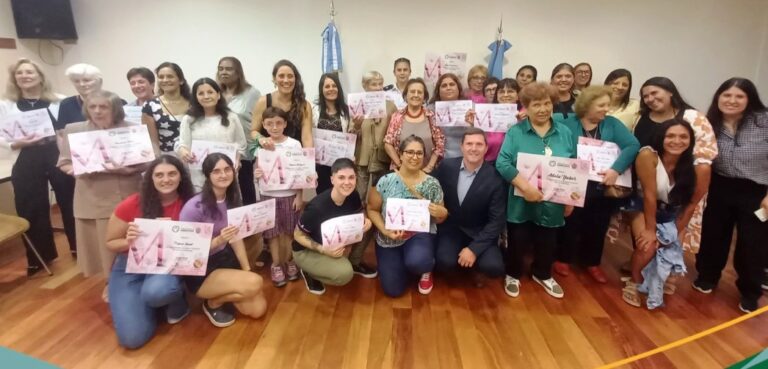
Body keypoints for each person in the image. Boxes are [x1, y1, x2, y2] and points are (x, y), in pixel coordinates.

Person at [495, 82, 577, 299]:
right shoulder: (516, 132)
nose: (543, 109)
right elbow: (502, 163)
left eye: (547, 103)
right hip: (522, 198)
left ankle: (542, 274)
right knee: (518, 239)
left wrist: (570, 199)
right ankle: (512, 274)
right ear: (526, 108)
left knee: (548, 240)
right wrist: (525, 187)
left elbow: (573, 165)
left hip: (554, 201)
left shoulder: (565, 132)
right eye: (537, 105)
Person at [694, 78, 768, 313]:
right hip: (719, 186)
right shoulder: (708, 124)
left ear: (750, 99)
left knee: (752, 243)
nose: (732, 101)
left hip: (756, 190)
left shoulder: (764, 122)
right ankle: (707, 277)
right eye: (727, 95)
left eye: (739, 96)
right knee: (713, 234)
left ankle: (750, 291)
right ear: (718, 97)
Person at [57, 91, 149, 282]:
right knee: (102, 245)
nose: (97, 111)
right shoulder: (74, 130)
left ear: (115, 109)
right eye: (92, 107)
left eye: (103, 107)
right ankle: (111, 282)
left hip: (129, 192)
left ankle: (138, 278)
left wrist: (129, 170)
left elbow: (149, 161)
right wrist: (81, 170)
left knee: (134, 238)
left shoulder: (132, 129)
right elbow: (64, 162)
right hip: (92, 195)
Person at [104, 155, 194, 349]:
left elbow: (199, 245)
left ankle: (175, 301)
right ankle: (148, 304)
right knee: (132, 339)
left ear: (181, 177)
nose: (166, 179)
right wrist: (130, 241)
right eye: (159, 175)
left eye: (172, 174)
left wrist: (177, 232)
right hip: (130, 265)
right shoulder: (132, 203)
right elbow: (111, 242)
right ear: (150, 178)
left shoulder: (191, 203)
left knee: (156, 292)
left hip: (167, 264)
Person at [553, 86, 640, 283]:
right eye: (601, 105)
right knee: (569, 221)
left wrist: (616, 169)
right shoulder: (568, 122)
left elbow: (633, 145)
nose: (605, 109)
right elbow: (544, 119)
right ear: (587, 104)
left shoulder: (612, 124)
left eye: (607, 105)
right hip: (574, 180)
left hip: (602, 184)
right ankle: (562, 258)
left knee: (598, 224)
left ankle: (592, 262)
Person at [0, 58, 76, 274]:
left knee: (70, 199)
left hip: (56, 152)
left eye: (30, 72)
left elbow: (70, 128)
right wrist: (15, 143)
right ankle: (40, 256)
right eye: (20, 73)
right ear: (15, 78)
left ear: (40, 76)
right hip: (25, 156)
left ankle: (79, 248)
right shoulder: (5, 105)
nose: (25, 76)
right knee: (30, 205)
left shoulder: (60, 101)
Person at [181, 153, 267, 327]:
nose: (223, 175)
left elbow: (236, 238)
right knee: (255, 283)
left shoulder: (232, 199)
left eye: (227, 169)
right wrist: (219, 240)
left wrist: (246, 268)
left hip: (224, 259)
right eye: (216, 171)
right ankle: (212, 302)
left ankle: (220, 296)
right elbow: (186, 253)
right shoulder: (193, 207)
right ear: (207, 175)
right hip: (200, 267)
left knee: (258, 310)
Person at [634, 77, 718, 253]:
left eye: (654, 92)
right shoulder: (641, 118)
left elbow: (704, 155)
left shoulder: (692, 117)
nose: (650, 98)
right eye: (646, 96)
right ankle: (641, 266)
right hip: (644, 185)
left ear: (670, 91)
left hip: (678, 191)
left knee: (670, 241)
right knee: (644, 242)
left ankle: (664, 270)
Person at [622, 119, 697, 309]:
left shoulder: (695, 165)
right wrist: (650, 229)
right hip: (641, 206)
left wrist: (674, 234)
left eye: (683, 136)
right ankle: (635, 281)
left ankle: (658, 279)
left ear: (691, 140)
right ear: (661, 137)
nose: (676, 141)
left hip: (673, 212)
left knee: (672, 250)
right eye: (670, 136)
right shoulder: (648, 155)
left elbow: (691, 204)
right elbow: (649, 195)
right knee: (648, 245)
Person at [367, 135, 448, 297]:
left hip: (419, 235)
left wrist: (443, 212)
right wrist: (385, 231)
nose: (414, 157)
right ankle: (402, 264)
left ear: (424, 157)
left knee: (419, 262)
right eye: (410, 152)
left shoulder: (432, 183)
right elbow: (372, 209)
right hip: (389, 238)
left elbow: (440, 218)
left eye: (419, 153)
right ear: (401, 154)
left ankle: (424, 268)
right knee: (393, 290)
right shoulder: (384, 180)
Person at [293, 158, 375, 295]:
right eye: (341, 178)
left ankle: (355, 262)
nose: (347, 183)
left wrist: (365, 220)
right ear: (332, 180)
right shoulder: (317, 207)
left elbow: (360, 211)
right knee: (344, 274)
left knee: (369, 226)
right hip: (306, 250)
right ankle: (309, 271)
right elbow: (298, 235)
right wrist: (324, 250)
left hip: (333, 240)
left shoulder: (353, 195)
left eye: (351, 178)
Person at [432, 128, 506, 279]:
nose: (473, 148)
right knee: (444, 262)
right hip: (452, 228)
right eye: (469, 144)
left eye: (479, 144)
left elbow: (496, 221)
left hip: (480, 231)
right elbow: (429, 186)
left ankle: (473, 263)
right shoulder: (446, 166)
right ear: (461, 146)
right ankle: (460, 261)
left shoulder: (496, 178)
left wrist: (474, 249)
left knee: (494, 267)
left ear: (486, 148)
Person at [253, 107, 310, 287]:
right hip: (267, 195)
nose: (275, 127)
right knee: (272, 233)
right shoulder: (260, 145)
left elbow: (300, 172)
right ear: (263, 125)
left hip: (289, 194)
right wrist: (257, 173)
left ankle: (290, 261)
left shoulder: (294, 144)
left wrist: (300, 196)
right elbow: (257, 169)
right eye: (269, 124)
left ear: (285, 124)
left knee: (289, 231)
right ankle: (276, 264)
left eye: (278, 123)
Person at [177, 78, 246, 191]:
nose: (206, 96)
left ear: (218, 95)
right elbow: (183, 145)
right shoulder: (188, 119)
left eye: (210, 92)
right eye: (201, 93)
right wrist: (184, 152)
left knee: (228, 206)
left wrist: (238, 160)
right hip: (200, 178)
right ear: (196, 98)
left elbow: (241, 145)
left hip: (226, 176)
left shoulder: (231, 117)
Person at [216, 56, 261, 205]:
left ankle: (250, 220)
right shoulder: (215, 92)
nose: (224, 72)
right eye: (221, 69)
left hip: (244, 148)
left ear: (238, 72)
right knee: (223, 185)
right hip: (221, 146)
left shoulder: (251, 93)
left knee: (246, 185)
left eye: (229, 69)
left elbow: (259, 120)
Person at [383, 78, 445, 173]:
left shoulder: (431, 116)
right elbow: (388, 143)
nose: (416, 95)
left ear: (424, 97)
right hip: (401, 173)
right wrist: (400, 165)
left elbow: (440, 144)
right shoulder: (397, 116)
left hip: (426, 173)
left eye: (419, 92)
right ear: (406, 95)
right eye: (412, 91)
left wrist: (429, 168)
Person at [351, 71, 396, 200]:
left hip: (382, 157)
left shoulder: (391, 106)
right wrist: (356, 125)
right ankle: (359, 217)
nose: (378, 87)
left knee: (381, 194)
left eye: (380, 84)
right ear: (365, 86)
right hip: (362, 156)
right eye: (373, 84)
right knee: (359, 194)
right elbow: (349, 135)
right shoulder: (356, 104)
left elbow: (396, 131)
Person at [250, 59, 313, 149]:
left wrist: (309, 160)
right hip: (269, 156)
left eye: (290, 76)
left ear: (296, 79)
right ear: (274, 79)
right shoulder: (263, 102)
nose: (286, 80)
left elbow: (307, 138)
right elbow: (254, 131)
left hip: (294, 158)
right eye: (281, 76)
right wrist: (262, 139)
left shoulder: (304, 106)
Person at [312, 72, 350, 193]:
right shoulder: (313, 110)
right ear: (321, 90)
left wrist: (356, 128)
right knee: (323, 196)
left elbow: (352, 136)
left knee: (341, 195)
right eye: (327, 86)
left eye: (334, 85)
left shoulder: (347, 110)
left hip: (341, 164)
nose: (331, 89)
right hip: (321, 165)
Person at [141, 62, 191, 154]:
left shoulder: (194, 103)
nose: (165, 80)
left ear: (181, 80)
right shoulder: (150, 106)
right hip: (167, 160)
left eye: (170, 76)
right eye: (161, 77)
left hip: (193, 156)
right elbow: (152, 142)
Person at [428, 73, 466, 159]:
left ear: (458, 88)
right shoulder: (429, 110)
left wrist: (472, 123)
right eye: (444, 85)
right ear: (438, 90)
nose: (448, 88)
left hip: (464, 157)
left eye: (452, 84)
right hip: (436, 158)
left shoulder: (470, 108)